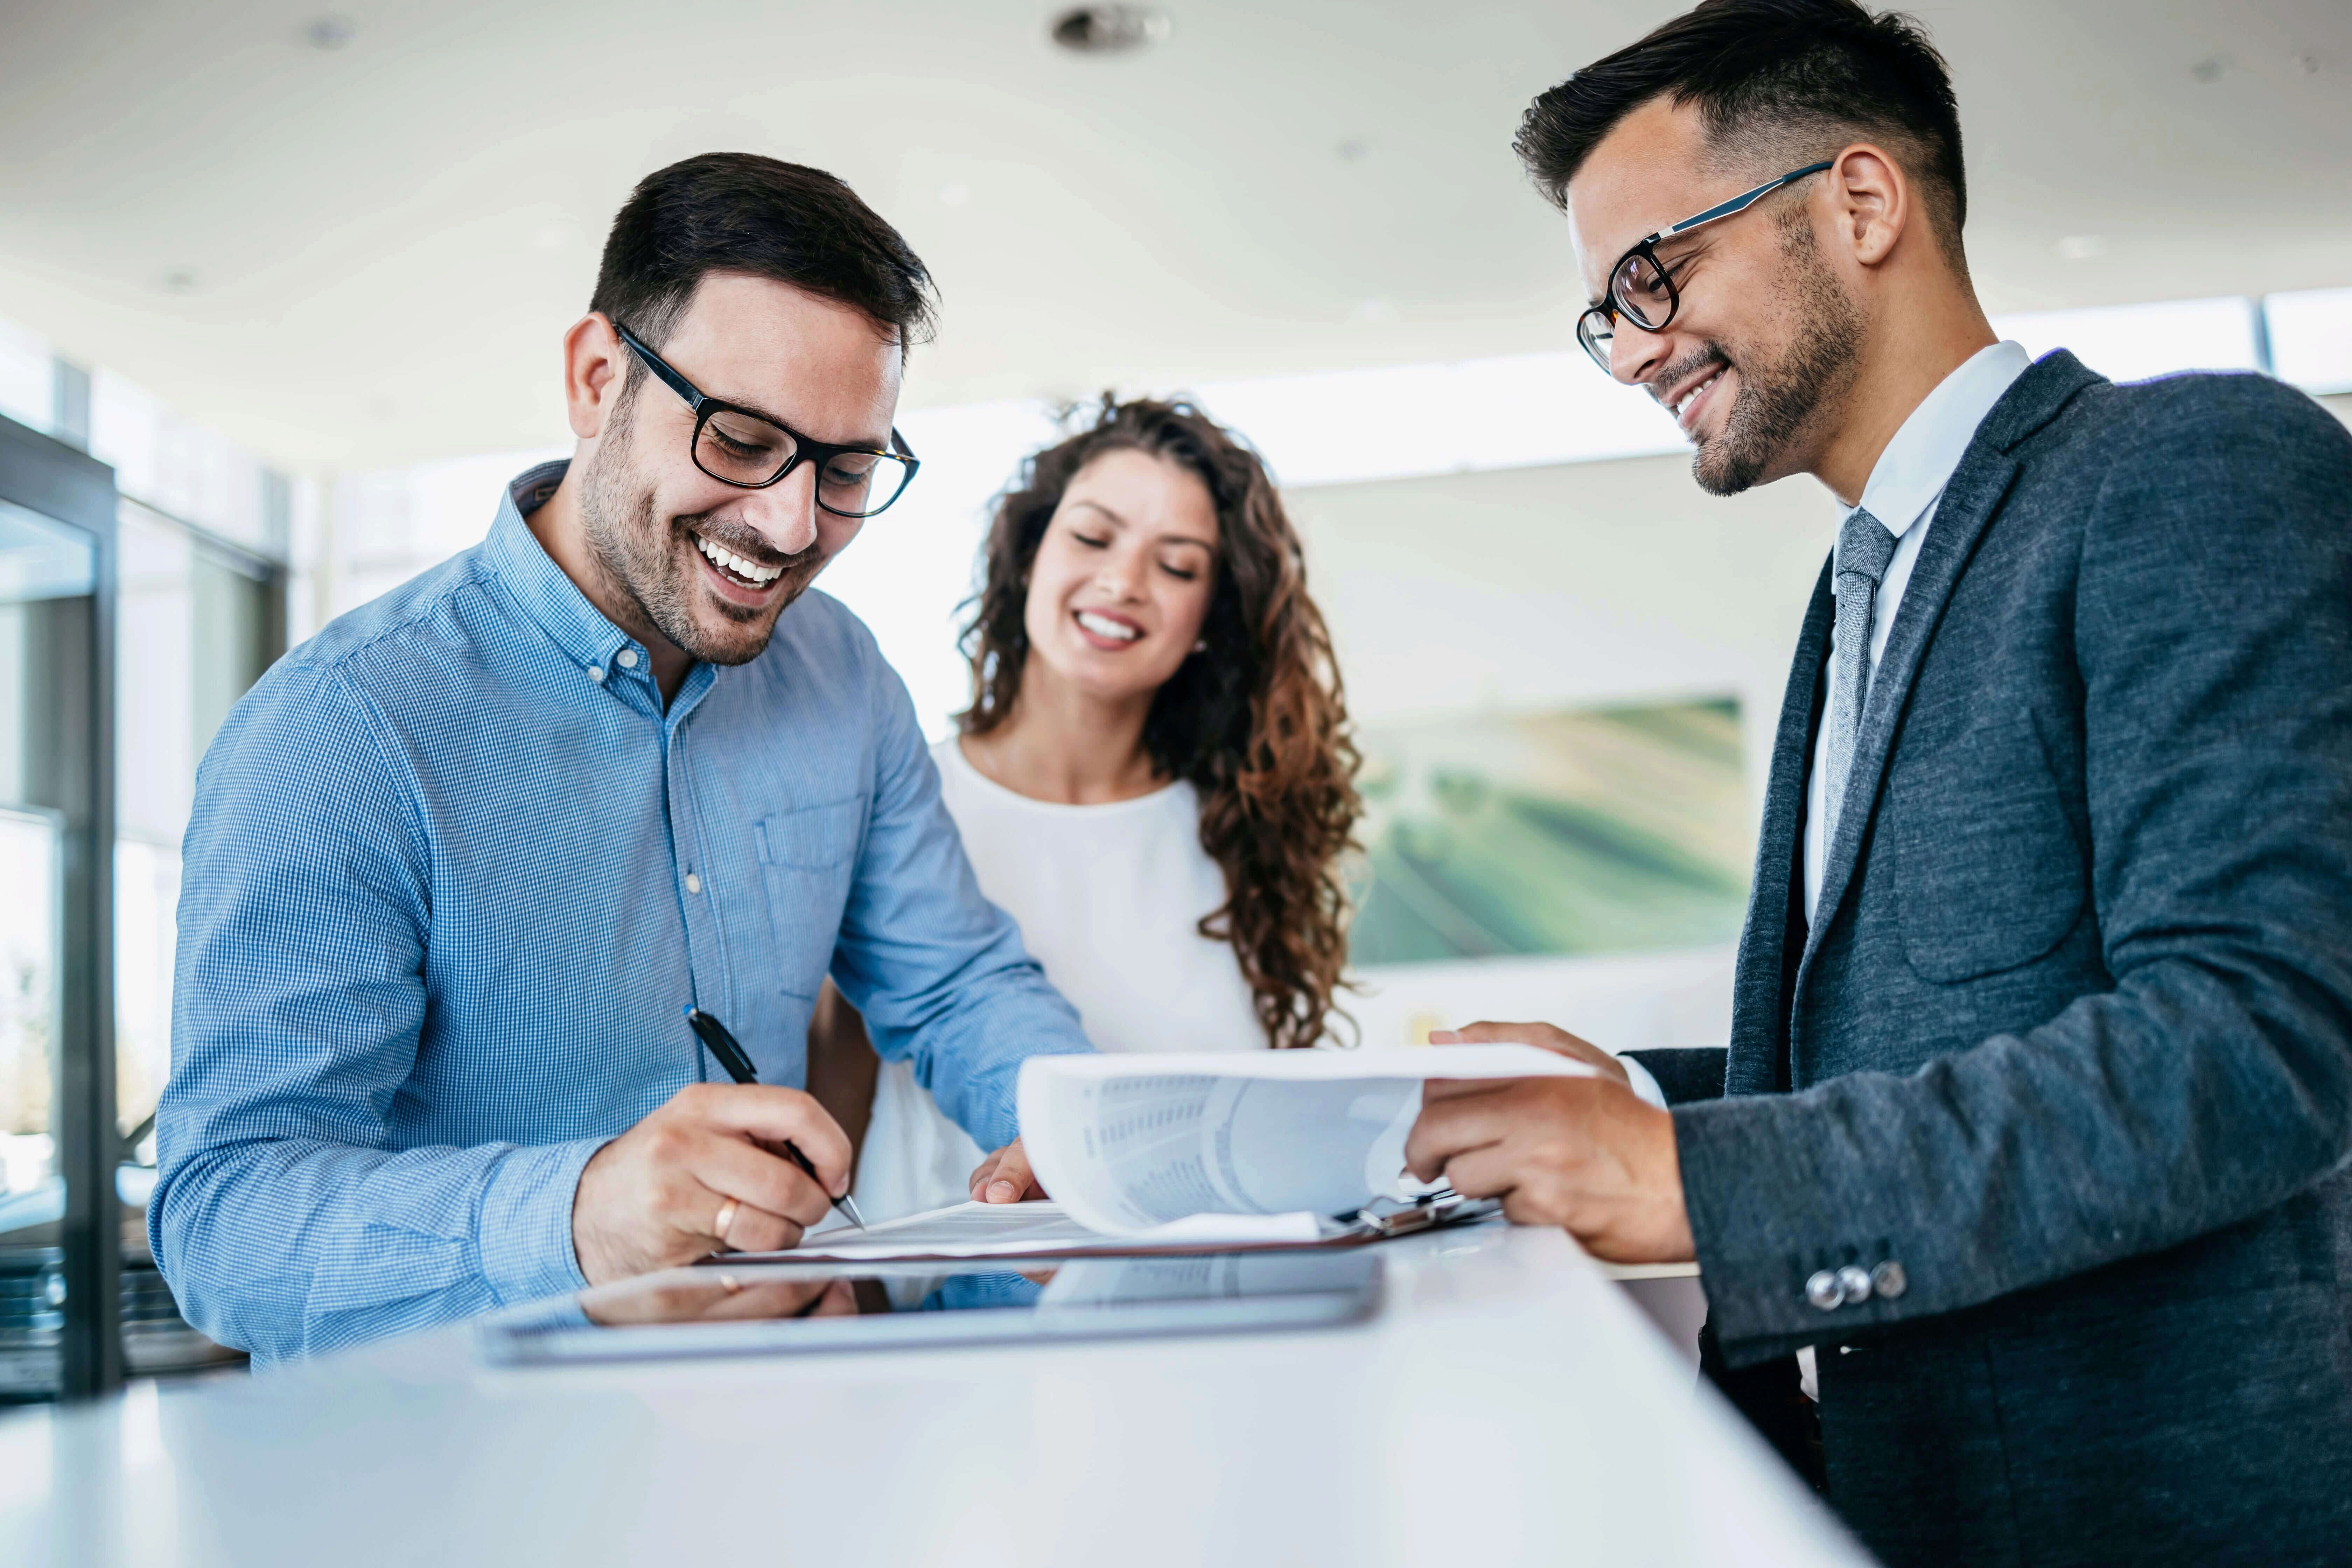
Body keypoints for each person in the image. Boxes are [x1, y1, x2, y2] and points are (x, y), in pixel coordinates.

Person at [1401, 2, 2352, 1562]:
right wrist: (1621, 1100)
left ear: (1859, 204)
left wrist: (1699, 1180)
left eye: (1656, 276)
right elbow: (1922, 1036)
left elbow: (2260, 1039)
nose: (1633, 350)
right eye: (1605, 316)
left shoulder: (2192, 468)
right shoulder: (1855, 595)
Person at [150, 153, 1096, 1363]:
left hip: (784, 1426)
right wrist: (583, 1219)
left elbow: (955, 982)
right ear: (598, 380)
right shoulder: (340, 731)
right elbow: (225, 1222)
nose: (792, 526)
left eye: (848, 469)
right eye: (743, 439)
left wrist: (1079, 1131)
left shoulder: (844, 675)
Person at [842, 396, 1361, 1220]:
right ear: (1028, 556)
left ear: (1208, 618)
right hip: (953, 1324)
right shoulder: (898, 806)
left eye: (1178, 565)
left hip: (1213, 1305)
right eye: (1092, 536)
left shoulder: (1241, 831)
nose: (1124, 581)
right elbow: (838, 1128)